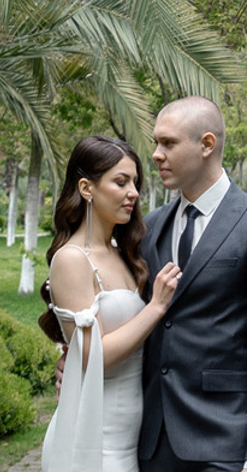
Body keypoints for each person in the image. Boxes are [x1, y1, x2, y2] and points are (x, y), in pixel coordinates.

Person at [138, 97, 247, 472]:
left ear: (207, 145)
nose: (156, 154)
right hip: (152, 445)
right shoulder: (150, 227)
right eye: (156, 143)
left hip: (227, 444)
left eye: (168, 143)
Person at [39, 136, 183, 472]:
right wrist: (155, 308)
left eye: (135, 182)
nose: (133, 192)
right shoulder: (71, 260)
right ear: (87, 188)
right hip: (91, 440)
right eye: (121, 182)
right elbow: (94, 359)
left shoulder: (126, 254)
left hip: (131, 439)